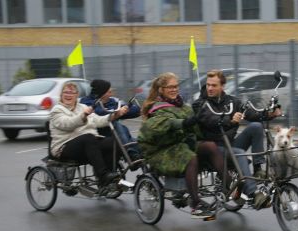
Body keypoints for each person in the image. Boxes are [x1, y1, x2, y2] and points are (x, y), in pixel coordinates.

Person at [138, 72, 228, 219]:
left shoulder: (184, 106)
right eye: (170, 87)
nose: (174, 89)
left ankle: (229, 188)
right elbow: (166, 123)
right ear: (161, 89)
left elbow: (197, 130)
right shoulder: (156, 108)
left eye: (176, 86)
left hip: (183, 145)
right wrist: (185, 123)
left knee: (210, 146)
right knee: (190, 157)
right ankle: (196, 204)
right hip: (162, 150)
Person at [192, 69, 282, 209]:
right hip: (213, 149)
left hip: (229, 144)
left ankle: (258, 168)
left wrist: (270, 114)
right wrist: (230, 120)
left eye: (214, 85)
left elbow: (252, 114)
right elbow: (209, 119)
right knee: (238, 152)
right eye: (208, 84)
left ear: (222, 86)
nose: (209, 88)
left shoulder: (232, 102)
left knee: (256, 126)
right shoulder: (200, 104)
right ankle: (253, 194)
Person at [49, 81, 126, 188]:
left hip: (87, 144)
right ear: (61, 95)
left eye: (72, 93)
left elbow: (97, 120)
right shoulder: (56, 110)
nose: (68, 95)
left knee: (114, 142)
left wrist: (114, 115)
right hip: (64, 147)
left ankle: (108, 176)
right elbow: (67, 124)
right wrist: (83, 115)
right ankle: (103, 175)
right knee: (88, 138)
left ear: (77, 95)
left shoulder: (83, 106)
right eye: (66, 92)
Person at [80, 79, 142, 161]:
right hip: (98, 132)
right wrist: (116, 112)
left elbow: (134, 110)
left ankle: (143, 162)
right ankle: (129, 153)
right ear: (102, 93)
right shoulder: (86, 102)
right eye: (109, 92)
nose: (111, 94)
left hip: (118, 134)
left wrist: (124, 110)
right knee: (115, 124)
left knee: (142, 145)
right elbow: (99, 113)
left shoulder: (112, 101)